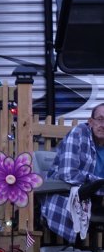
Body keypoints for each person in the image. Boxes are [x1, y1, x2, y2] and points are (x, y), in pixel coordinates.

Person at [41, 102, 104, 242]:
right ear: (91, 121)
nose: (103, 125)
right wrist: (98, 182)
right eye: (100, 119)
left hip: (96, 197)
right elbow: (67, 173)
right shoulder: (79, 133)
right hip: (67, 195)